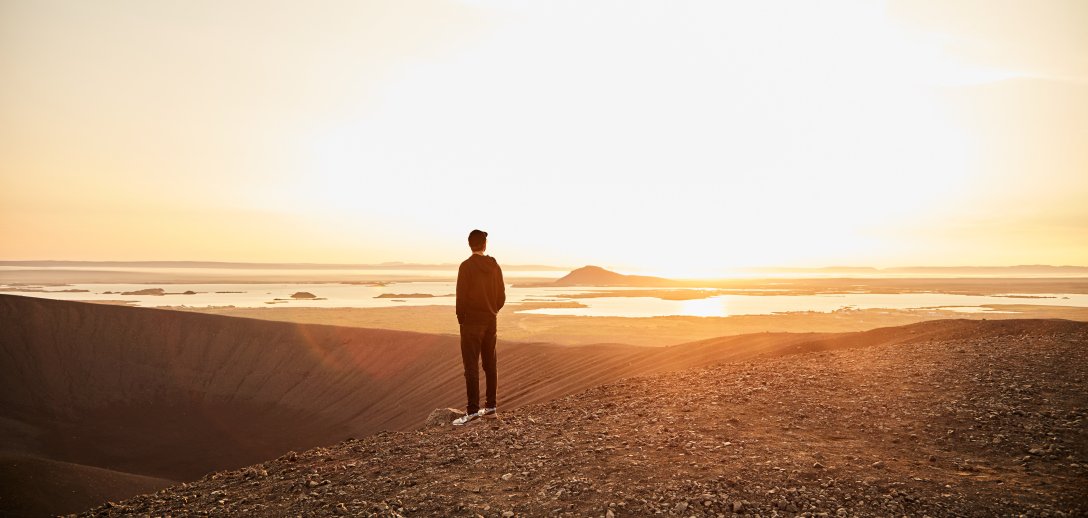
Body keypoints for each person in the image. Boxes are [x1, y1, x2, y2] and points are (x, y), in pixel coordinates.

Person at [452, 229, 506, 426]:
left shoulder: (466, 267)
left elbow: (461, 297)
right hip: (490, 321)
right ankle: (491, 409)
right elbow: (501, 297)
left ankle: (473, 412)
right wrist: (492, 311)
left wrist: (462, 320)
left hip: (471, 323)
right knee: (490, 364)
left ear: (470, 245)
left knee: (471, 366)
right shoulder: (494, 266)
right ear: (484, 245)